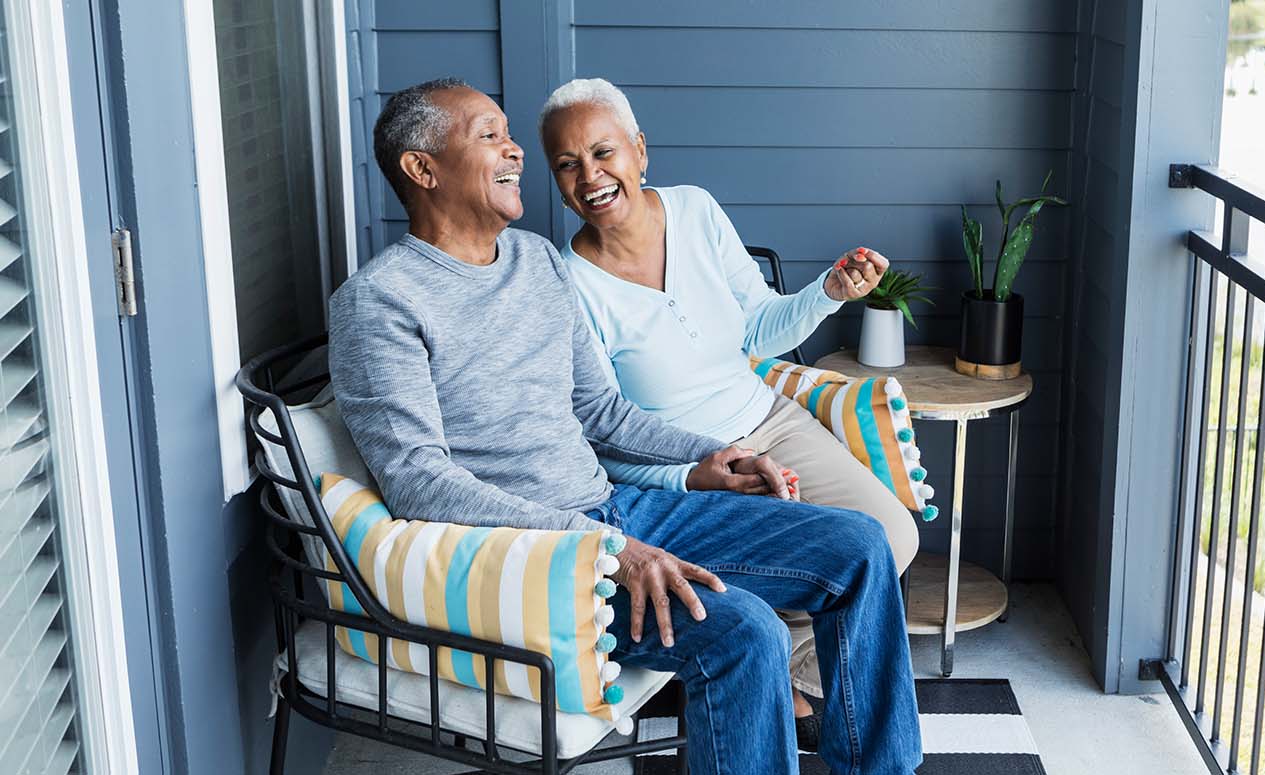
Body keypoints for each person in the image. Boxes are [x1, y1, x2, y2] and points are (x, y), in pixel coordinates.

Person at [328, 77, 922, 775]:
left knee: (859, 545)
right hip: (539, 557)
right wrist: (605, 545)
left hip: (617, 513)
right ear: (422, 169)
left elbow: (600, 413)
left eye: (509, 133)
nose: (516, 149)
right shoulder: (379, 303)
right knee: (745, 631)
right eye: (489, 135)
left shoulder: (535, 261)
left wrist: (715, 453)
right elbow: (420, 485)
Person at [536, 78, 920, 745]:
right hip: (686, 469)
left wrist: (826, 293)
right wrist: (695, 471)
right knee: (820, 563)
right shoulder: (568, 282)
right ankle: (789, 688)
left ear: (640, 150)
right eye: (568, 164)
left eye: (603, 153)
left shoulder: (696, 210)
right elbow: (603, 434)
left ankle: (796, 679)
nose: (590, 176)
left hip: (769, 417)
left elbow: (757, 330)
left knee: (893, 536)